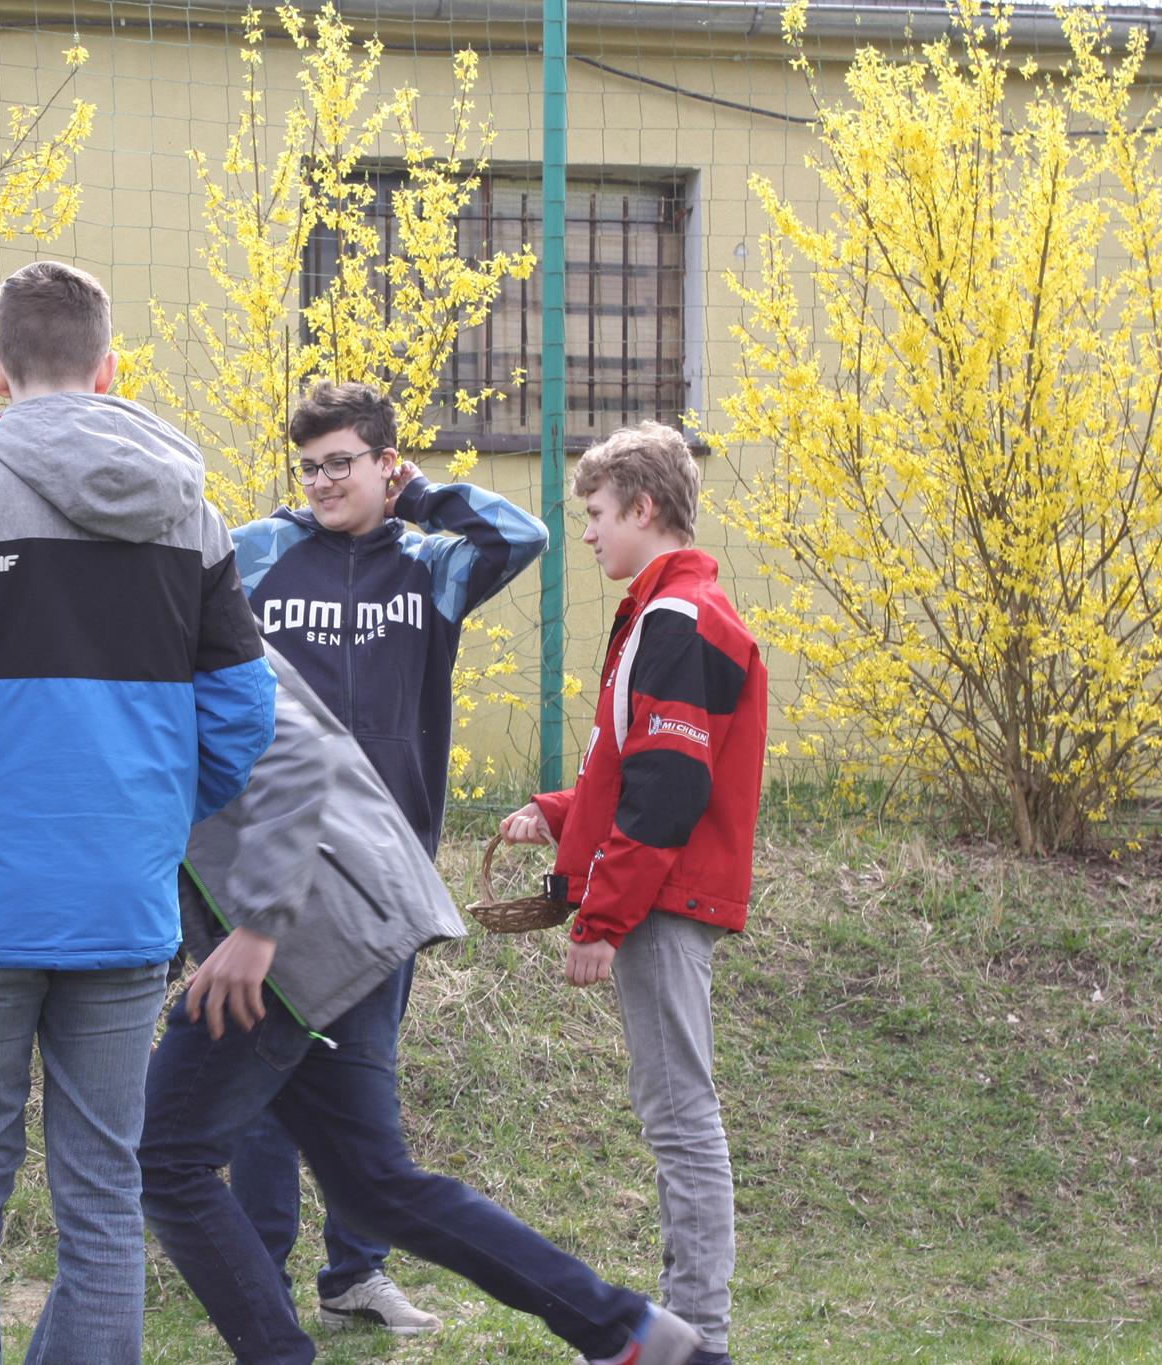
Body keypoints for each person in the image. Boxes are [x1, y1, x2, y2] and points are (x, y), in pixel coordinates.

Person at [0, 260, 276, 1365]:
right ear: (109, 368)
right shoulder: (192, 514)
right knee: (103, 1189)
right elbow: (242, 712)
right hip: (120, 898)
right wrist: (150, 821)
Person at [140, 647, 704, 1365]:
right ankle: (627, 1330)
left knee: (166, 1157)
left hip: (292, 933)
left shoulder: (172, 611)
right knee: (376, 1187)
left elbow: (300, 757)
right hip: (343, 923)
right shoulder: (168, 608)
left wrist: (258, 924)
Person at [228, 379, 547, 1333]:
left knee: (364, 1075)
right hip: (274, 862)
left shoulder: (430, 562)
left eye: (342, 463)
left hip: (386, 869)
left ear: (385, 462)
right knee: (262, 1075)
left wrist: (425, 497)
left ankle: (355, 1275)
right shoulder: (260, 552)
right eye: (310, 466)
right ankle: (255, 1273)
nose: (323, 481)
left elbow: (522, 535)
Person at [499, 420, 768, 1365]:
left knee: (681, 1117)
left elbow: (669, 788)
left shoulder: (678, 620)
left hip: (660, 902)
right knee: (675, 1112)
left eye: (597, 513)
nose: (586, 533)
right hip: (660, 892)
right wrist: (557, 813)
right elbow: (635, 763)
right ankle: (691, 1327)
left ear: (644, 508)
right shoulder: (667, 614)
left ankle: (698, 1337)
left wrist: (602, 917)